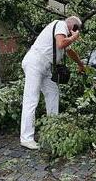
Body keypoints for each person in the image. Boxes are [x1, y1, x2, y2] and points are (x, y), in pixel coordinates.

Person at [20, 16, 84, 150]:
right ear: (74, 27)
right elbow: (61, 44)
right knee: (31, 99)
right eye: (77, 29)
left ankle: (52, 128)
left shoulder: (63, 34)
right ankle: (26, 138)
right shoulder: (61, 25)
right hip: (35, 63)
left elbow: (69, 51)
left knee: (53, 93)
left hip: (46, 67)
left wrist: (80, 64)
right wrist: (74, 37)